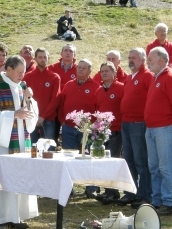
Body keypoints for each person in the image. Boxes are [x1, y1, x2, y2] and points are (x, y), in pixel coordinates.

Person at [0, 55, 38, 229]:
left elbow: (30, 114)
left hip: (20, 142)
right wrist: (13, 115)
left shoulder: (22, 87)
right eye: (19, 72)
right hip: (1, 144)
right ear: (9, 69)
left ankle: (15, 216)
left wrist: (30, 100)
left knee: (19, 176)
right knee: (1, 178)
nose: (23, 75)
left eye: (24, 72)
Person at [144, 47, 172, 216]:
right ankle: (157, 200)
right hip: (152, 128)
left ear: (161, 60)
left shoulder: (169, 77)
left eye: (151, 59)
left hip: (164, 128)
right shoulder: (156, 77)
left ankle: (169, 202)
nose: (148, 62)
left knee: (165, 166)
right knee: (154, 166)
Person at [118, 48, 153, 208]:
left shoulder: (147, 76)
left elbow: (152, 99)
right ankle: (130, 193)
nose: (131, 60)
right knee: (129, 160)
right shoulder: (129, 77)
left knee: (141, 161)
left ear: (143, 60)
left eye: (135, 58)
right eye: (130, 57)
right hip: (126, 122)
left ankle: (144, 194)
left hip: (139, 123)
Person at [59, 59, 100, 197]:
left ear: (90, 71)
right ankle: (67, 188)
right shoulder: (68, 85)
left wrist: (95, 126)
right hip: (69, 128)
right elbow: (61, 103)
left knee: (89, 158)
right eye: (79, 68)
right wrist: (62, 120)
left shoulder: (96, 86)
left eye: (84, 68)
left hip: (87, 130)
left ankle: (91, 188)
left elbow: (99, 108)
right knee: (68, 159)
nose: (80, 70)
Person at [94, 61, 125, 203]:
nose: (104, 73)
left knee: (113, 160)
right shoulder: (99, 91)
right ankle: (107, 191)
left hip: (116, 131)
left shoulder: (121, 88)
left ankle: (114, 192)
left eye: (107, 71)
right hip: (102, 132)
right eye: (102, 71)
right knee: (104, 162)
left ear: (114, 73)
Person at [25, 47, 61, 144]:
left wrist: (43, 117)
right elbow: (24, 99)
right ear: (35, 59)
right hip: (31, 119)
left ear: (48, 58)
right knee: (30, 150)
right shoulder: (27, 76)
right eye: (40, 57)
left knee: (49, 150)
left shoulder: (54, 77)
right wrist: (34, 116)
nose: (42, 59)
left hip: (49, 119)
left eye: (45, 57)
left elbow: (55, 99)